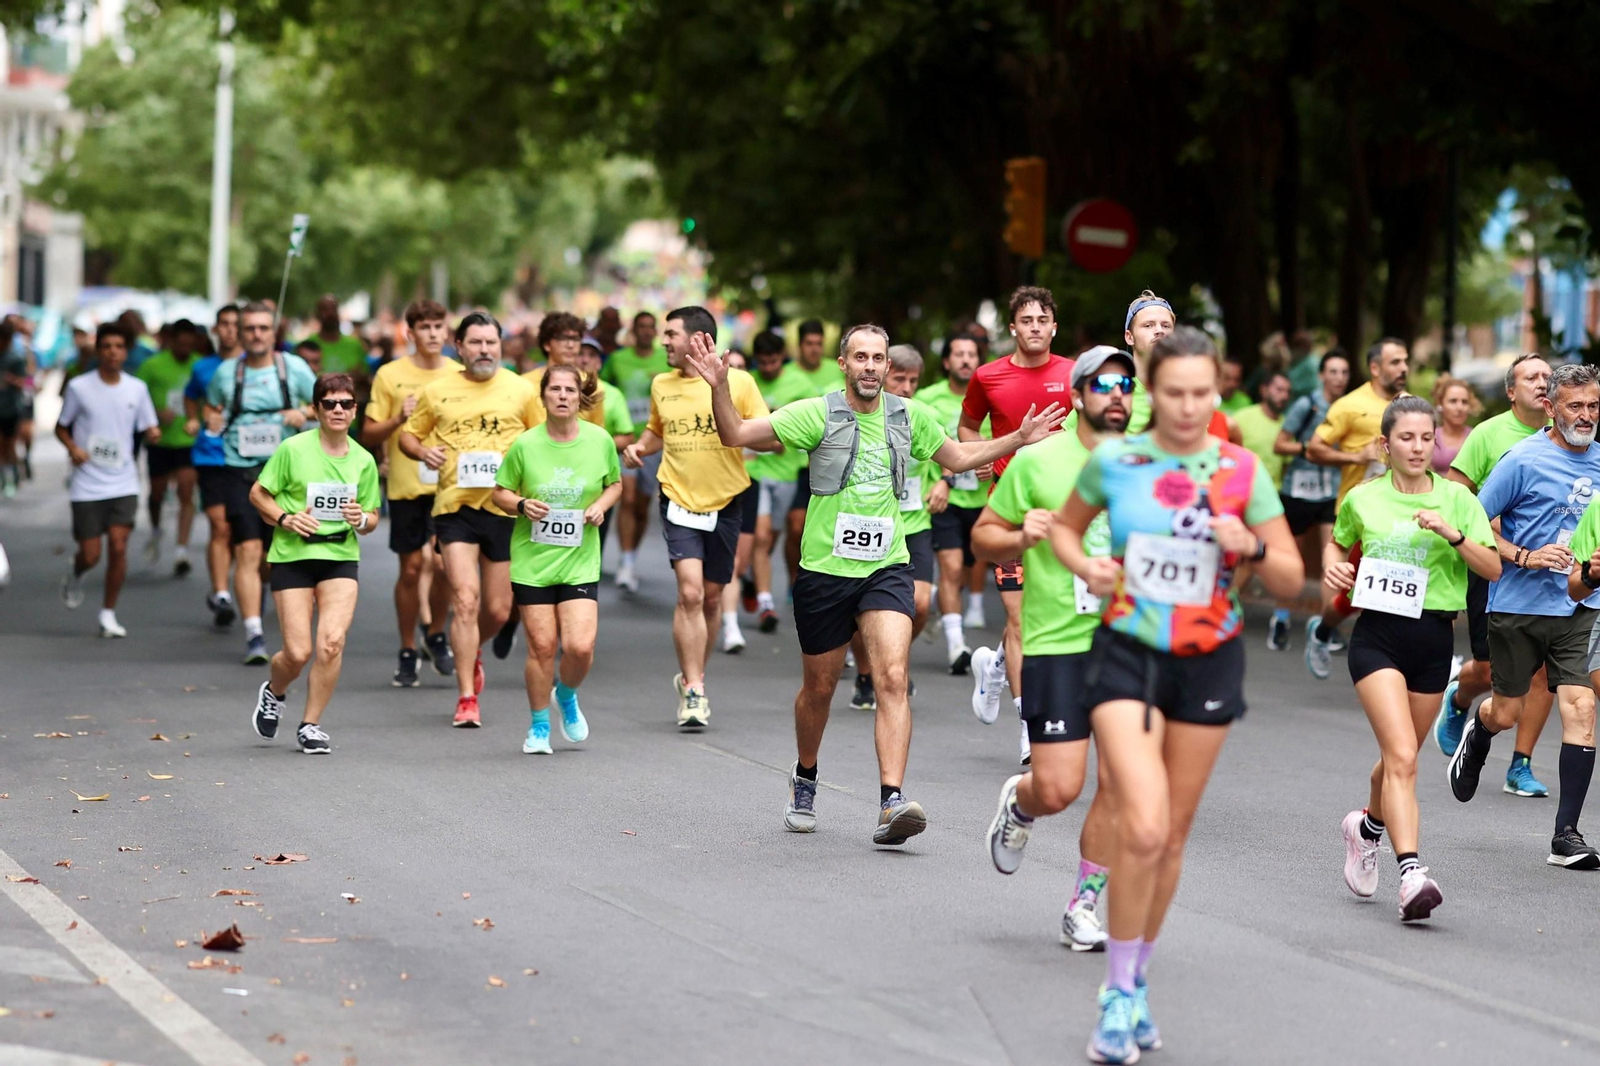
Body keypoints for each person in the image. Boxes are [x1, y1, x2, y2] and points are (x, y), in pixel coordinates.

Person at [689, 324, 1065, 846]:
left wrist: (1019, 438)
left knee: (891, 676)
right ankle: (805, 775)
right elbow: (736, 435)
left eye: (879, 358)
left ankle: (892, 801)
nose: (870, 366)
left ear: (889, 367)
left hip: (887, 565)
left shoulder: (911, 417)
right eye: (860, 357)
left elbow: (957, 457)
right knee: (818, 689)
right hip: (823, 571)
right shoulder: (814, 412)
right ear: (843, 364)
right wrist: (718, 387)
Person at [1047, 326, 1302, 1063]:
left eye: (1202, 393)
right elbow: (1066, 532)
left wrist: (1249, 544)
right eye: (1173, 393)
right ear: (1149, 393)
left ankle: (1137, 979)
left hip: (1209, 659)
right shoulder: (1115, 460)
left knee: (1174, 835)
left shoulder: (1240, 469)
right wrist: (1089, 567)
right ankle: (1118, 994)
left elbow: (1289, 578)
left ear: (1214, 392)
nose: (1188, 407)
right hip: (1127, 654)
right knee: (1145, 826)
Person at [980, 345, 1134, 953]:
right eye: (1103, 383)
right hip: (1056, 644)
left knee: (1121, 783)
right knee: (1059, 788)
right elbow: (985, 536)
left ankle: (1083, 905)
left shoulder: (1148, 465)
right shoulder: (1037, 461)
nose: (1117, 392)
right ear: (1076, 397)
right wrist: (1022, 534)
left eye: (1126, 383)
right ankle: (1021, 805)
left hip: (1130, 646)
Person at [1326, 396, 1498, 921]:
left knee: (1399, 758)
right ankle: (1412, 874)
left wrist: (1454, 534)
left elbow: (1491, 568)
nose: (1419, 447)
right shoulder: (1363, 498)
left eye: (1427, 438)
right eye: (1407, 438)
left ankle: (1366, 828)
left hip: (1433, 638)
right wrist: (1335, 571)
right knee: (1402, 756)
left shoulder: (1458, 500)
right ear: (1386, 444)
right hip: (1376, 637)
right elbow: (1338, 545)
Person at [1448, 362, 1600, 870]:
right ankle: (1480, 728)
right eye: (1575, 405)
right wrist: (1525, 556)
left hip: (1580, 606)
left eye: (1594, 405)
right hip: (1517, 604)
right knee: (1506, 711)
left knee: (1580, 706)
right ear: (1551, 408)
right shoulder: (1521, 459)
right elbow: (1473, 522)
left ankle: (1566, 835)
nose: (1586, 414)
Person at [621, 306, 772, 728]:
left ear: (698, 338)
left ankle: (694, 676)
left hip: (726, 501)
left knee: (709, 597)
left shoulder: (738, 380)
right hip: (678, 497)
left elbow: (765, 431)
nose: (663, 341)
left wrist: (726, 398)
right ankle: (694, 690)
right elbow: (656, 431)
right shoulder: (661, 384)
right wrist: (638, 448)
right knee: (688, 593)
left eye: (671, 333)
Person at [400, 311, 540, 728]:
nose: (484, 350)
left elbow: (542, 440)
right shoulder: (437, 390)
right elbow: (409, 434)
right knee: (465, 599)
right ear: (458, 347)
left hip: (506, 508)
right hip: (455, 507)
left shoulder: (521, 389)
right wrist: (422, 452)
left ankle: (470, 648)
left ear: (501, 346)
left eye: (491, 342)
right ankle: (466, 698)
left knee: (497, 610)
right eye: (475, 342)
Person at [960, 286, 1075, 765]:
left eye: (1041, 319)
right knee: (1018, 618)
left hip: (1068, 516)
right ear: (1013, 328)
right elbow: (968, 428)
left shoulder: (1075, 375)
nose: (1033, 326)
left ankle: (994, 667)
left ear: (1053, 326)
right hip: (1009, 514)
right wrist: (980, 459)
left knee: (1046, 617)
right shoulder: (988, 376)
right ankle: (1031, 727)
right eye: (1024, 320)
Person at [1435, 354, 1554, 799]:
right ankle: (1460, 697)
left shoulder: (1570, 439)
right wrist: (1492, 523)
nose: (1541, 383)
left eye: (1547, 376)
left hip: (1552, 571)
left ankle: (1520, 764)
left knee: (1543, 675)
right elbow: (1457, 491)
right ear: (1511, 390)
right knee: (1489, 670)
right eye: (1531, 377)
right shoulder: (1488, 434)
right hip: (1495, 566)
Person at [489, 364, 621, 754]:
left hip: (579, 559)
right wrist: (521, 503)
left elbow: (614, 484)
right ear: (543, 396)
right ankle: (539, 726)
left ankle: (565, 694)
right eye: (555, 389)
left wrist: (600, 506)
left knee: (580, 647)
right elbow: (499, 493)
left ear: (580, 397)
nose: (562, 396)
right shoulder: (525, 445)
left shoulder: (599, 441)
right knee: (542, 647)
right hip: (533, 562)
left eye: (569, 390)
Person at [245, 371, 380, 752]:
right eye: (329, 403)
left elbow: (371, 518)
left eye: (346, 403)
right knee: (299, 652)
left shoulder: (364, 461)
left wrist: (361, 520)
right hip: (293, 555)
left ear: (355, 410)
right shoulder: (293, 450)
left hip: (339, 555)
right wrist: (286, 519)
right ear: (316, 409)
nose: (338, 410)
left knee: (332, 642)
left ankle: (311, 724)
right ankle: (274, 690)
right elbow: (258, 494)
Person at [206, 302, 319, 664]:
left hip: (287, 477)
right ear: (240, 334)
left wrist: (302, 412)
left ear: (273, 333)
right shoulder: (227, 374)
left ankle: (269, 598)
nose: (256, 334)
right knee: (247, 550)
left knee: (274, 558)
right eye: (250, 328)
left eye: (263, 328)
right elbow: (212, 408)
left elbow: (328, 404)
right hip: (242, 472)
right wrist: (211, 422)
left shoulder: (293, 369)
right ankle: (254, 632)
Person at [364, 299, 462, 687]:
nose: (433, 334)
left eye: (439, 326)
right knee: (410, 569)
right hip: (407, 486)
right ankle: (407, 647)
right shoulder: (390, 375)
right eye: (425, 327)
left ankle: (435, 633)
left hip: (450, 486)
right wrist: (398, 419)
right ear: (410, 333)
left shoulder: (460, 373)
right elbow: (368, 433)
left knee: (442, 566)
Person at [1303, 337, 1411, 675]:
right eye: (1395, 362)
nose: (1404, 368)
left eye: (1405, 361)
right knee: (1354, 594)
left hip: (1401, 512)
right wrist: (1355, 456)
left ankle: (1389, 662)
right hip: (1357, 512)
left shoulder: (1410, 405)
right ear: (1375, 368)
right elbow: (1313, 449)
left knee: (1403, 584)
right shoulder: (1349, 405)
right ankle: (1324, 628)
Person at [56, 323, 160, 636]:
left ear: (125, 352)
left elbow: (148, 427)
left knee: (118, 545)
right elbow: (61, 426)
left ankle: (108, 613)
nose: (113, 352)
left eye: (119, 346)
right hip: (87, 483)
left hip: (123, 481)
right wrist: (73, 448)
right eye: (107, 346)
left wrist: (154, 433)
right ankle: (78, 571)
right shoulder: (79, 387)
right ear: (98, 351)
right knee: (91, 554)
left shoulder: (136, 389)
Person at [1266, 349, 1350, 650]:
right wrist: (1309, 450)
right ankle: (1281, 617)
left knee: (1333, 557)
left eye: (1344, 372)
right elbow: (1280, 444)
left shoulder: (1349, 407)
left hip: (1330, 491)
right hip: (1298, 491)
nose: (1339, 378)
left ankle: (1327, 625)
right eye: (1333, 371)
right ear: (1321, 375)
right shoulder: (1308, 404)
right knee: (1294, 558)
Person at [916, 334, 989, 674]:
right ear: (946, 362)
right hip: (944, 496)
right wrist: (942, 480)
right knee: (952, 567)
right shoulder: (926, 399)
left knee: (963, 571)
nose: (964, 360)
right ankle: (957, 646)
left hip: (984, 497)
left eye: (971, 354)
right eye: (957, 354)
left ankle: (945, 613)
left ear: (979, 360)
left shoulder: (990, 393)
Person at [745, 330, 814, 633]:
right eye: (763, 362)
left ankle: (749, 576)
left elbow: (814, 423)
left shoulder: (800, 385)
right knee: (760, 537)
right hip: (756, 471)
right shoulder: (748, 381)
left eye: (773, 361)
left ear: (782, 357)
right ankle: (765, 603)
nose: (769, 367)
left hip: (789, 471)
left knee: (774, 536)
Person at [602, 311, 671, 593]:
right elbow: (603, 389)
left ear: (655, 332)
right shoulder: (618, 360)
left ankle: (630, 555)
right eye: (640, 327)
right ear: (633, 331)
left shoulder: (665, 361)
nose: (645, 332)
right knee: (627, 499)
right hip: (625, 438)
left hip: (653, 440)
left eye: (649, 327)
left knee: (642, 506)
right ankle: (625, 563)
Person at [187, 306, 243, 626]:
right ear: (215, 329)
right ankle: (221, 592)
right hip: (212, 455)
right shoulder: (203, 368)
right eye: (225, 324)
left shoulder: (256, 367)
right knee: (220, 524)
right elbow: (191, 396)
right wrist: (194, 418)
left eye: (237, 324)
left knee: (241, 531)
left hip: (250, 457)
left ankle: (241, 577)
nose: (231, 331)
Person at [782, 319, 846, 595]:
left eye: (819, 344)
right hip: (796, 465)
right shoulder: (786, 374)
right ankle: (793, 580)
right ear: (799, 345)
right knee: (795, 527)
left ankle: (827, 583)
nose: (814, 349)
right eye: (809, 344)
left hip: (833, 463)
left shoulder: (838, 370)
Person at [137, 319, 203, 575]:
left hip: (188, 440)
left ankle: (181, 551)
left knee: (187, 492)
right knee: (157, 493)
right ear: (171, 340)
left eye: (190, 344)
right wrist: (153, 414)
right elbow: (136, 397)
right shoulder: (152, 365)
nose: (185, 349)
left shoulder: (199, 365)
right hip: (159, 441)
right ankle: (155, 528)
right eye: (181, 343)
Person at [574, 334, 636, 560]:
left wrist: (595, 444)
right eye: (580, 354)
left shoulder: (613, 394)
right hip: (564, 472)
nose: (584, 360)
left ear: (599, 362)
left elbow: (627, 437)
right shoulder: (559, 391)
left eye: (591, 355)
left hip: (599, 476)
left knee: (595, 531)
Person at [720, 347, 759, 652]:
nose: (734, 372)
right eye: (729, 366)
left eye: (741, 367)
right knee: (726, 564)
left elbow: (775, 443)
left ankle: (741, 583)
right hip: (714, 487)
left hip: (747, 484)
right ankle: (730, 625)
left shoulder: (751, 397)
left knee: (738, 562)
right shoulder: (705, 397)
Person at [1234, 370, 1290, 489]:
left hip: (1275, 494)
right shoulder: (1242, 418)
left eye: (1288, 392)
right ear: (1264, 390)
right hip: (1244, 489)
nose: (1285, 396)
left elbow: (1286, 466)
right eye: (1279, 390)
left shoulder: (1288, 426)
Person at [307, 295, 368, 378]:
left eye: (333, 309)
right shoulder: (307, 345)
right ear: (317, 315)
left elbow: (366, 376)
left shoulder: (355, 345)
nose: (330, 314)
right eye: (325, 309)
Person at [1431, 376, 1479, 475]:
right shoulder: (1429, 436)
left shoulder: (1476, 437)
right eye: (1453, 401)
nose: (1459, 407)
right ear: (1440, 404)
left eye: (1464, 402)